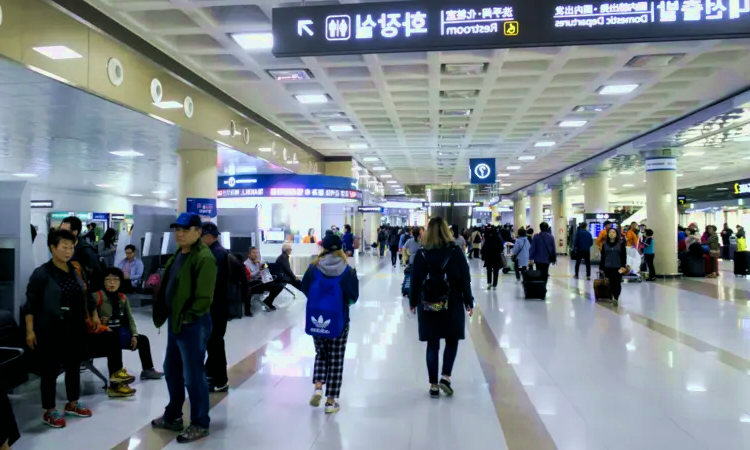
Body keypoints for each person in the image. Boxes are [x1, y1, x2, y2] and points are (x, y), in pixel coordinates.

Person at [151, 212, 217, 444]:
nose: (179, 234)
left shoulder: (204, 258)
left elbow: (204, 297)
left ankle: (200, 422)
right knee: (172, 370)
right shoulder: (180, 253)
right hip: (175, 321)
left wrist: (188, 317)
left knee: (193, 375)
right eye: (177, 229)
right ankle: (173, 415)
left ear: (198, 232)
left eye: (185, 229)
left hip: (192, 323)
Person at [23, 229, 99, 428]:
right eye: (64, 247)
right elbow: (30, 305)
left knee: (74, 366)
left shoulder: (75, 269)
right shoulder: (41, 274)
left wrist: (94, 314)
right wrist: (30, 331)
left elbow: (86, 293)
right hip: (49, 329)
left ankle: (72, 403)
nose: (68, 251)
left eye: (71, 247)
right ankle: (49, 410)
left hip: (74, 327)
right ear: (52, 248)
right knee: (50, 370)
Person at [409, 217, 473, 399]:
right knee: (452, 340)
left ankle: (434, 385)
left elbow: (415, 280)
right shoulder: (456, 252)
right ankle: (446, 377)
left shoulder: (422, 254)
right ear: (447, 230)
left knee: (432, 343)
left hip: (428, 303)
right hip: (452, 302)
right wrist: (469, 301)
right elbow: (465, 279)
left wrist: (413, 302)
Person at [302, 234, 359, 414]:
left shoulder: (313, 268)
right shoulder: (348, 271)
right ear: (340, 249)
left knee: (321, 353)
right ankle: (330, 402)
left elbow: (305, 289)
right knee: (336, 359)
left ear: (323, 248)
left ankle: (318, 387)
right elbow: (353, 298)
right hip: (339, 320)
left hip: (317, 319)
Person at [95, 268, 164, 381]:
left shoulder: (122, 298)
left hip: (121, 334)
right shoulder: (97, 297)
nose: (112, 283)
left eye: (116, 280)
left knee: (143, 340)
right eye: (108, 280)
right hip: (104, 337)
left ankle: (147, 370)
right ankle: (116, 379)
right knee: (114, 341)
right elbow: (89, 318)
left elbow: (130, 319)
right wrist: (99, 321)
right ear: (103, 281)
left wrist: (134, 335)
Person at [201, 222, 231, 393]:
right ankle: (212, 375)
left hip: (216, 306)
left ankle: (220, 381)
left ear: (210, 236)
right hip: (217, 305)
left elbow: (214, 282)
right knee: (213, 343)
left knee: (215, 344)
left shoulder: (216, 254)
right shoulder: (216, 251)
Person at [60, 216, 103, 291]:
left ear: (75, 232)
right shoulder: (64, 247)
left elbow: (96, 277)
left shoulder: (85, 251)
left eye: (64, 231)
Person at [245, 246, 283, 314]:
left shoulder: (259, 260)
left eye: (257, 252)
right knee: (274, 286)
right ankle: (268, 302)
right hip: (254, 283)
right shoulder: (245, 264)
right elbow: (250, 276)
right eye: (253, 252)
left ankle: (268, 301)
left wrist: (260, 263)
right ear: (249, 254)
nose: (256, 254)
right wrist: (259, 270)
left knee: (280, 286)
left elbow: (266, 267)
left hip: (262, 281)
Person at [600, 227, 628, 306]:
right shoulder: (605, 244)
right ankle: (613, 295)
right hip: (608, 267)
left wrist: (623, 265)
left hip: (618, 267)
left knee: (617, 283)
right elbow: (603, 256)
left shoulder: (621, 244)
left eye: (613, 232)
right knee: (611, 282)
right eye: (610, 233)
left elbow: (623, 256)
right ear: (608, 234)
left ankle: (616, 296)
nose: (612, 234)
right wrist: (601, 267)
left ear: (616, 234)